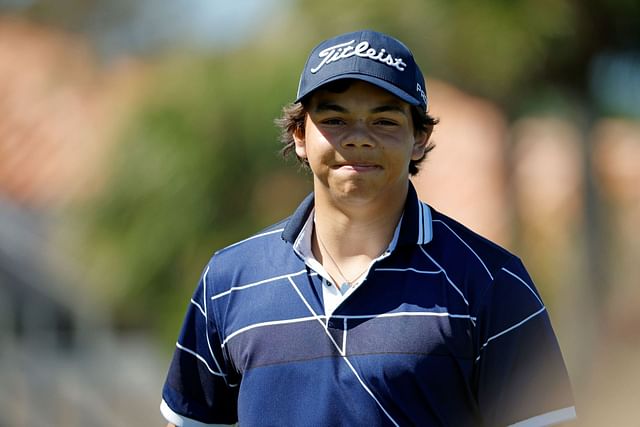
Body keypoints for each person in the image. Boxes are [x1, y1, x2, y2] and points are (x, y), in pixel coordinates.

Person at [160, 30, 576, 427]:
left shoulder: (490, 281)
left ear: (419, 137)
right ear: (300, 134)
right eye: (335, 120)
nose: (359, 138)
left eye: (384, 121)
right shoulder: (229, 280)